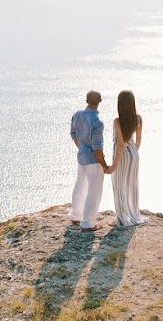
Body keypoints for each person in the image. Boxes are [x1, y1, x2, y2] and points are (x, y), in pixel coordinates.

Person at [69, 90, 109, 231]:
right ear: (100, 101)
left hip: (81, 157)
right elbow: (97, 148)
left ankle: (76, 215)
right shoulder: (97, 122)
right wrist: (104, 165)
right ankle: (87, 223)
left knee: (80, 186)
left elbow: (73, 133)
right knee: (94, 191)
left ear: (86, 101)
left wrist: (81, 147)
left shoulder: (77, 115)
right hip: (93, 160)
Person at [106, 89, 144, 226]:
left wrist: (114, 165)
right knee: (131, 184)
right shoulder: (138, 118)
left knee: (120, 185)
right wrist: (133, 153)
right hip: (134, 153)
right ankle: (133, 212)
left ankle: (121, 218)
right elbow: (138, 140)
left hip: (122, 155)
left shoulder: (117, 121)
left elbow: (120, 143)